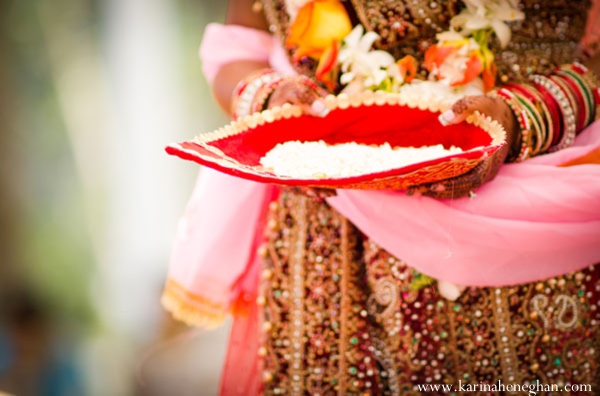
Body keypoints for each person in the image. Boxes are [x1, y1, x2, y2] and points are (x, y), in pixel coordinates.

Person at [162, 0, 600, 394]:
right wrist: (273, 101)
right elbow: (239, 46)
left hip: (525, 225)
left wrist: (521, 117)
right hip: (327, 239)